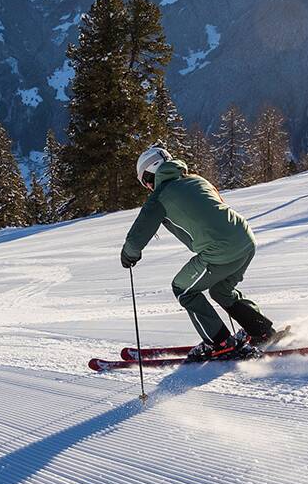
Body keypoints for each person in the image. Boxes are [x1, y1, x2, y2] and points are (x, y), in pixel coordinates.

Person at [119, 146, 279, 361]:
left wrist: (129, 255)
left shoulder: (160, 196)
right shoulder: (197, 180)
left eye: (146, 181)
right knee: (221, 291)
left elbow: (139, 233)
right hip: (246, 240)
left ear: (151, 174)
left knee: (183, 289)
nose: (148, 186)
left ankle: (220, 343)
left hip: (218, 251)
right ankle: (261, 330)